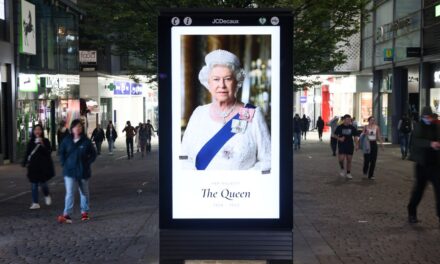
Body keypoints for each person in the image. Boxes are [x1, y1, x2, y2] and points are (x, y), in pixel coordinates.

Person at [181, 49, 271, 170]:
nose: (222, 85)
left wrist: (244, 181)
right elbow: (183, 156)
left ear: (237, 82)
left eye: (228, 79)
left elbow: (268, 160)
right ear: (209, 83)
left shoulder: (253, 114)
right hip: (203, 188)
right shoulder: (198, 114)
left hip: (242, 188)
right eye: (216, 79)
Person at [58, 119, 97, 224]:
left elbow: (93, 154)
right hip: (69, 171)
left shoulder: (86, 141)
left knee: (84, 192)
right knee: (70, 193)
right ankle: (67, 214)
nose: (78, 128)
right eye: (76, 127)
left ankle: (84, 212)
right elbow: (61, 152)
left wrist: (87, 163)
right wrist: (64, 163)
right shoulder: (67, 140)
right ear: (72, 128)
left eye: (80, 126)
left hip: (82, 171)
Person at [407, 106, 440, 224]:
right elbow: (416, 142)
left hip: (435, 164)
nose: (428, 119)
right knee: (419, 190)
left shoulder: (436, 126)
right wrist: (430, 143)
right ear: (422, 117)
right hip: (422, 164)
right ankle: (411, 211)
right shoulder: (418, 126)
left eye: (429, 117)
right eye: (426, 117)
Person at [22, 124, 55, 210]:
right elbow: (27, 153)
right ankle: (35, 202)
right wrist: (24, 162)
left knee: (43, 184)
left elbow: (48, 152)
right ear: (33, 131)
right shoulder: (31, 142)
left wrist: (42, 144)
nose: (37, 131)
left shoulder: (46, 141)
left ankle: (46, 194)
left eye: (39, 129)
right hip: (33, 166)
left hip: (42, 166)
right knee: (34, 184)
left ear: (42, 131)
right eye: (36, 130)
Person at [334, 114, 359, 179]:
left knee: (349, 160)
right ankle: (342, 169)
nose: (349, 121)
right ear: (344, 120)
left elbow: (355, 136)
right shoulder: (340, 127)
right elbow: (334, 135)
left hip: (350, 145)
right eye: (347, 119)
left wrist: (356, 144)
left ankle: (348, 173)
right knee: (341, 159)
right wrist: (340, 139)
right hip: (342, 145)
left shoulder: (352, 127)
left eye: (349, 120)